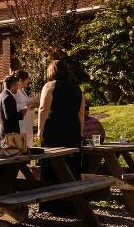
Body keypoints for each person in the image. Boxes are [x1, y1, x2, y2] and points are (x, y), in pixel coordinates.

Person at [37, 60, 85, 214]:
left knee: (52, 162)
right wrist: (81, 131)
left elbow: (43, 109)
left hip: (55, 128)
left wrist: (40, 130)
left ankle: (52, 204)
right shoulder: (77, 89)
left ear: (51, 72)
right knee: (71, 163)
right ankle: (72, 204)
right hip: (72, 128)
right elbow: (81, 113)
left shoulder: (50, 86)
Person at [0, 75, 21, 141]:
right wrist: (21, 113)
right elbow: (10, 117)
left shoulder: (0, 96)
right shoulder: (8, 97)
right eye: (17, 85)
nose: (18, 88)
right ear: (13, 85)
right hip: (9, 134)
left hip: (2, 132)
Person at [13, 70, 35, 147]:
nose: (28, 81)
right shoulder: (15, 92)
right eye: (27, 79)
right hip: (22, 122)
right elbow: (16, 107)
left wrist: (33, 104)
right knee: (23, 143)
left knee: (28, 142)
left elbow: (26, 104)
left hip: (27, 122)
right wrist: (30, 103)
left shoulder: (23, 91)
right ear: (20, 80)